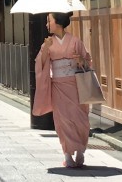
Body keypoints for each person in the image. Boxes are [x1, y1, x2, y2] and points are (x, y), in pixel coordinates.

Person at [32, 11, 93, 168]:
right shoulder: (48, 42)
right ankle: (67, 154)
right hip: (58, 86)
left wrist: (80, 60)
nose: (46, 24)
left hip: (75, 86)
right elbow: (41, 64)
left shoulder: (75, 41)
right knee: (62, 120)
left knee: (81, 119)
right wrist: (45, 49)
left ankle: (80, 150)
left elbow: (87, 62)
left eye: (48, 21)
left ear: (57, 22)